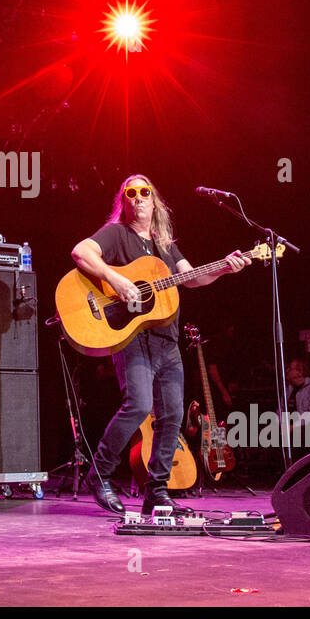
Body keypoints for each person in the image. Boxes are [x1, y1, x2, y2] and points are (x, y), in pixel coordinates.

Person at [72, 174, 250, 514]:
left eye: (144, 192)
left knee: (173, 416)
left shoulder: (165, 244)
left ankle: (157, 492)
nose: (138, 197)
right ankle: (101, 473)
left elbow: (193, 277)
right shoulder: (116, 234)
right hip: (133, 336)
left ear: (155, 202)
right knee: (138, 405)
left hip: (167, 339)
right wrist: (115, 278)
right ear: (123, 201)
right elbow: (81, 252)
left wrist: (225, 269)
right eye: (131, 193)